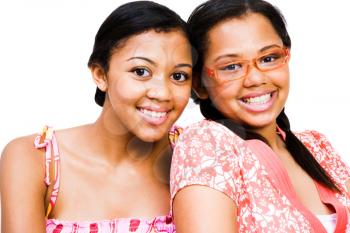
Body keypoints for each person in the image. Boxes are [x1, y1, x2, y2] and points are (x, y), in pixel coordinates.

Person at [0, 1, 193, 232]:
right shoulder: (35, 159)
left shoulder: (195, 159)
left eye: (179, 76)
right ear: (100, 74)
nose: (162, 93)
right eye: (141, 72)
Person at [170, 0, 350, 232]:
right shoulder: (206, 144)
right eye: (231, 66)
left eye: (268, 58)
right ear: (199, 84)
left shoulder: (317, 147)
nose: (255, 78)